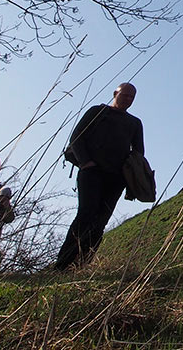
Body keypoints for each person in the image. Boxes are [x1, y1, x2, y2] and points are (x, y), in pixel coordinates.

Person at [55, 82, 143, 270]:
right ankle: (62, 265)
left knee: (101, 220)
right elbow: (77, 137)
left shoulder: (134, 123)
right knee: (86, 214)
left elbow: (138, 154)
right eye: (125, 95)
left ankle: (81, 265)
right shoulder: (97, 111)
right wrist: (86, 162)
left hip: (116, 178)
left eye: (131, 97)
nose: (128, 99)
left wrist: (133, 181)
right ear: (115, 93)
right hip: (92, 173)